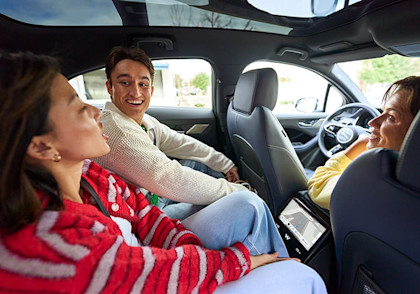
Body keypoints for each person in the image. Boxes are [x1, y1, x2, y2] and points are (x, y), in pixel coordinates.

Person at [0, 51, 327, 293]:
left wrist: (225, 168)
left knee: (248, 208)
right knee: (305, 279)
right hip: (148, 273)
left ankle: (277, 263)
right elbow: (166, 179)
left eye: (143, 83)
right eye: (77, 105)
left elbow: (148, 210)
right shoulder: (60, 249)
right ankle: (285, 266)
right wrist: (235, 260)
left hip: (150, 253)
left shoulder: (91, 176)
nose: (94, 111)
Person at [93, 46, 248, 219]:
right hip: (145, 217)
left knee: (200, 165)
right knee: (244, 205)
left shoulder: (144, 121)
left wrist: (224, 164)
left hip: (156, 196)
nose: (135, 92)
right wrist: (238, 192)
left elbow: (180, 142)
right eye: (125, 83)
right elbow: (168, 177)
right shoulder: (117, 131)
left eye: (142, 84)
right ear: (109, 87)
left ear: (151, 90)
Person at [308, 76, 420, 209]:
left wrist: (359, 145)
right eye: (382, 112)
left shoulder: (373, 181)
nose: (372, 122)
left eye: (391, 117)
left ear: (415, 133)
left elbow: (318, 185)